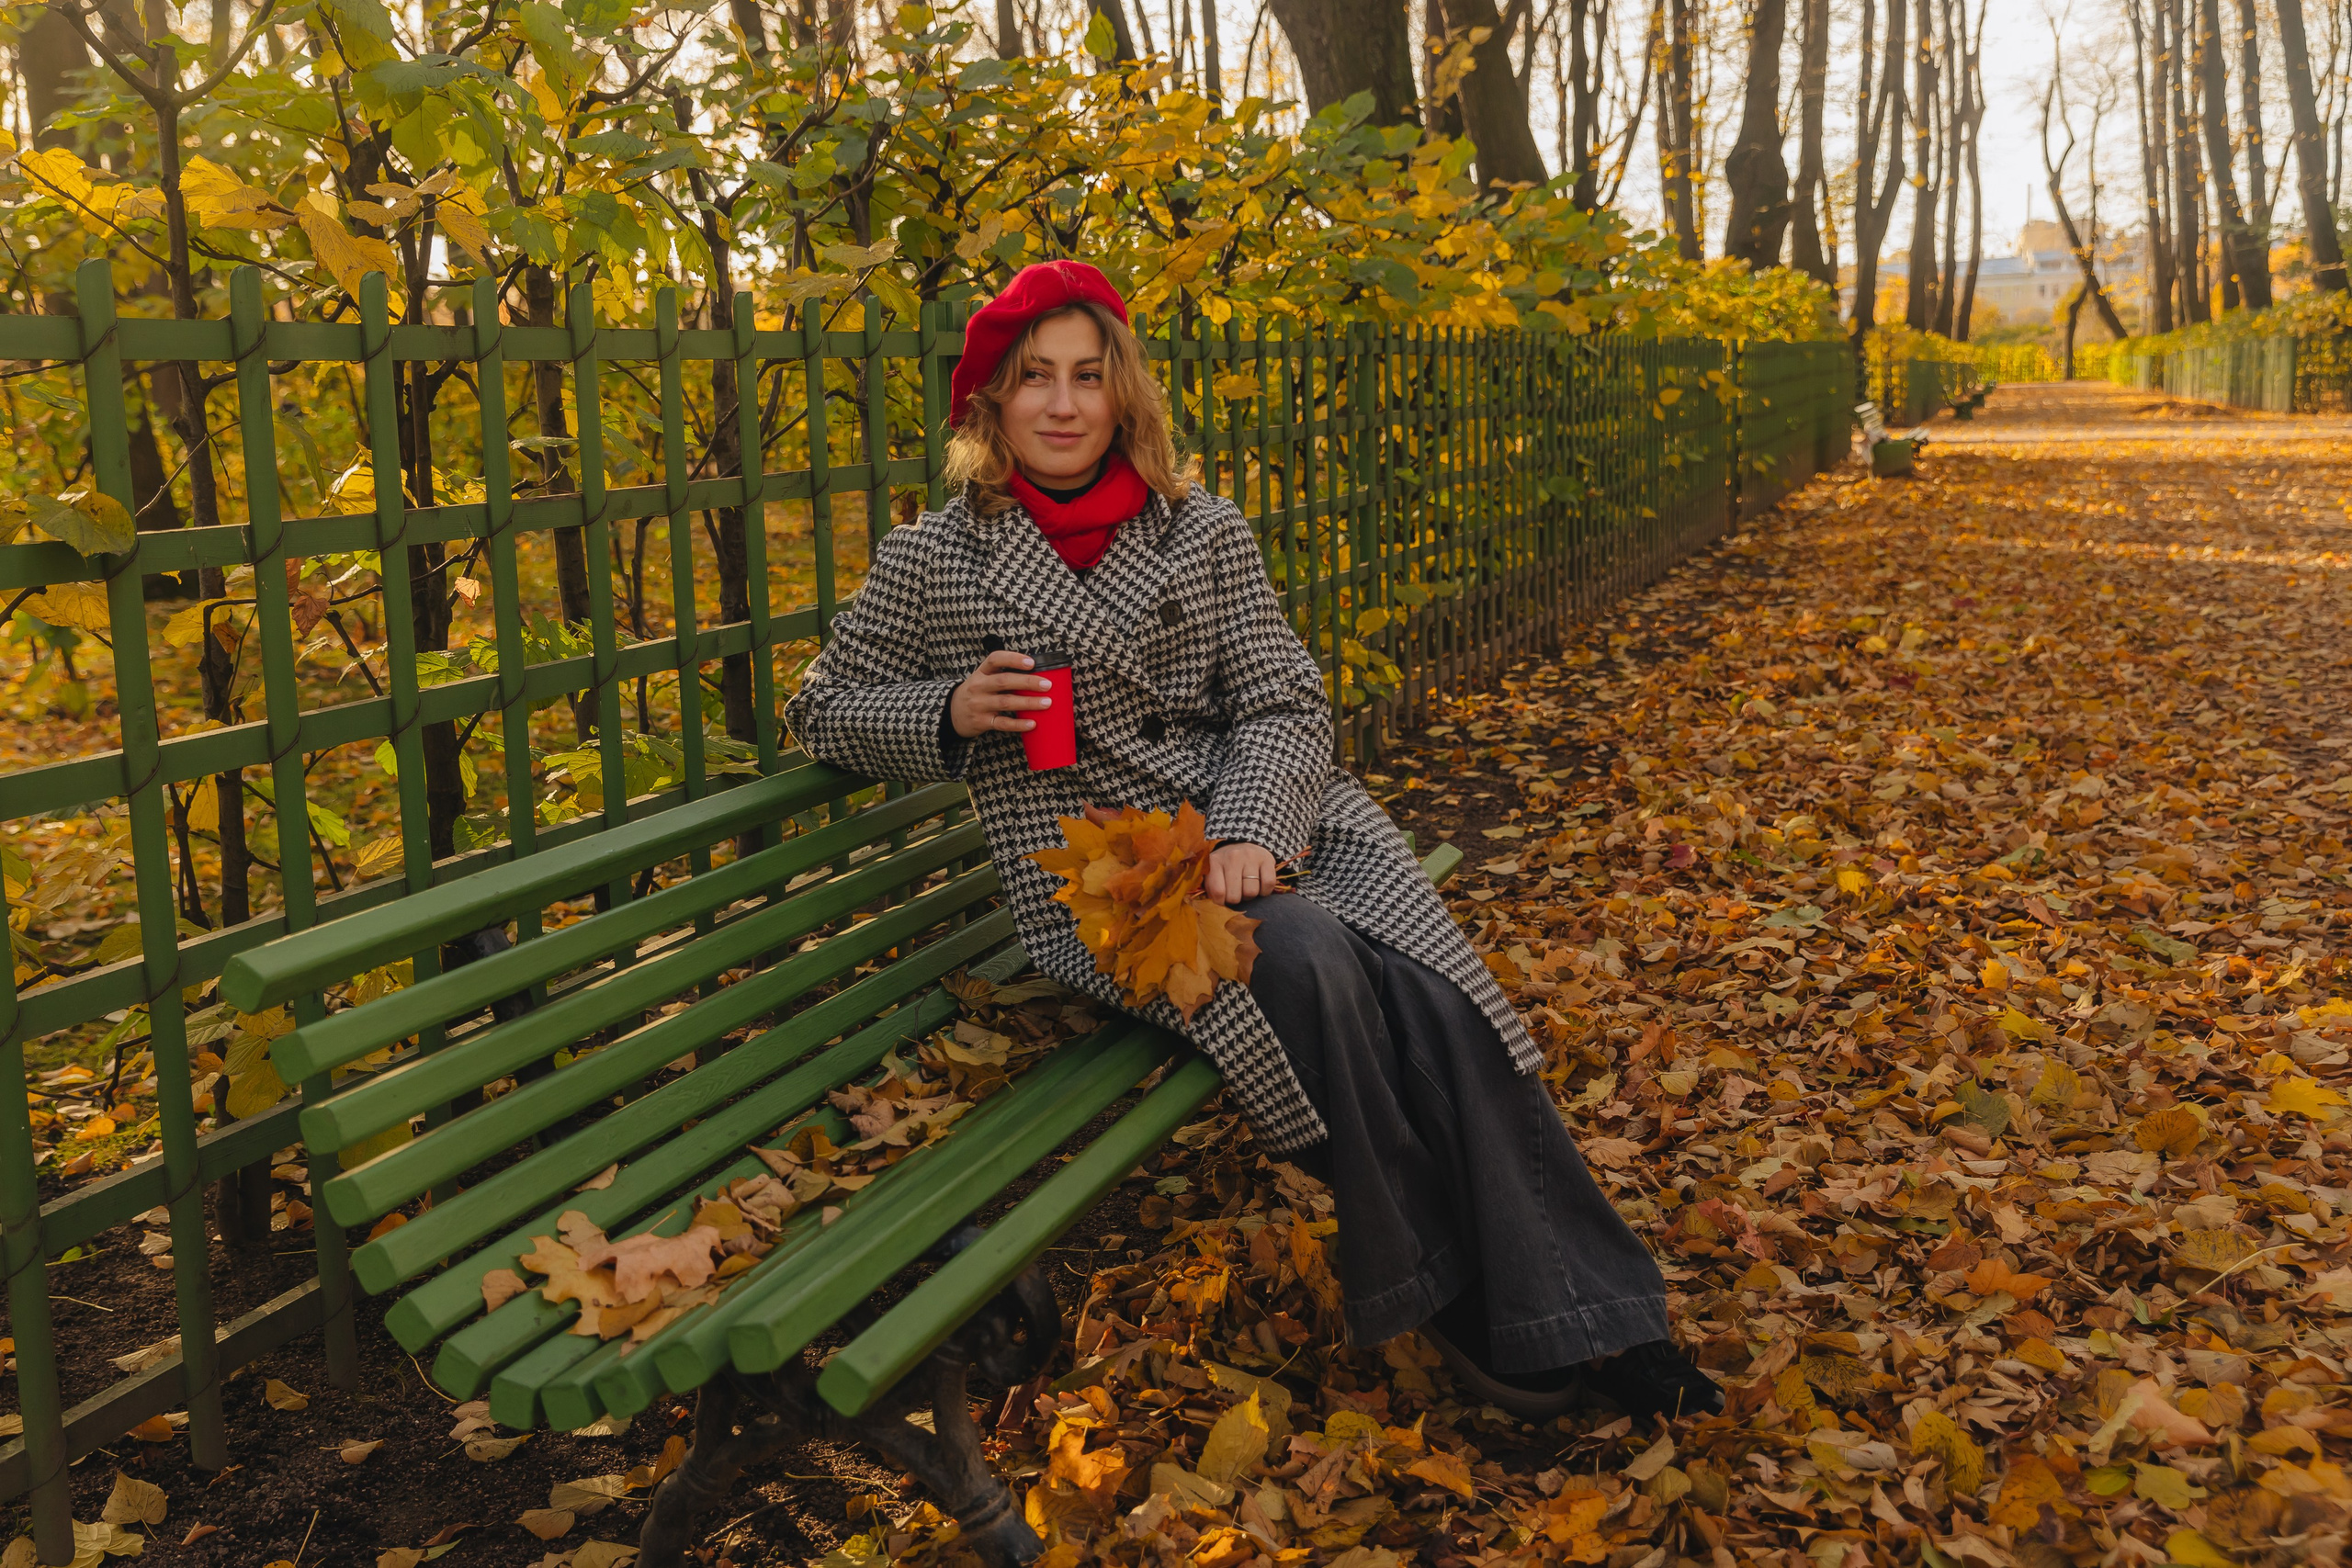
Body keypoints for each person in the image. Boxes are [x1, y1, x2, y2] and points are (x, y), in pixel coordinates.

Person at [782, 260, 1718, 1423]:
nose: (1063, 406)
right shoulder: (937, 559)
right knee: (1312, 961)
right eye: (1034, 381)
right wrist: (946, 711)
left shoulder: (1200, 529)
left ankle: (1590, 1312)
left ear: (1123, 395)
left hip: (1272, 828)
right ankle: (1471, 1300)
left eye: (1087, 377)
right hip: (1111, 883)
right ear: (990, 406)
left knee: (1436, 996)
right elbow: (818, 706)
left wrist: (1248, 832)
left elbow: (1283, 701)